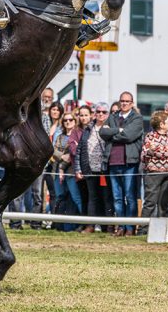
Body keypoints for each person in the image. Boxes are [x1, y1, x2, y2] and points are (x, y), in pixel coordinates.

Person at [100, 91, 144, 236]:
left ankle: (130, 228)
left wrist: (112, 134)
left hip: (129, 163)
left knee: (130, 197)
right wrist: (118, 130)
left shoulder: (137, 118)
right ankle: (120, 227)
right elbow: (102, 133)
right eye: (122, 101)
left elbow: (129, 136)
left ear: (132, 103)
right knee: (117, 198)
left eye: (127, 101)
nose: (124, 103)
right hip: (113, 162)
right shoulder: (112, 117)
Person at [75, 104, 109, 233]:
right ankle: (90, 226)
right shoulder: (88, 129)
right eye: (98, 111)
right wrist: (78, 169)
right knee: (92, 198)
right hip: (89, 169)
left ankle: (107, 226)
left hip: (105, 170)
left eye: (104, 112)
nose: (100, 114)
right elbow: (79, 150)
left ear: (108, 114)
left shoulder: (110, 127)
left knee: (106, 198)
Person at [140, 111, 168, 220]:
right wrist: (152, 151)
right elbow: (143, 156)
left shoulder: (167, 137)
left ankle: (162, 228)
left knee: (164, 204)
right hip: (154, 174)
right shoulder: (150, 136)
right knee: (150, 203)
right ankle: (143, 228)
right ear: (161, 124)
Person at [52, 112, 84, 230]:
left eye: (70, 120)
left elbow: (75, 152)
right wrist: (62, 156)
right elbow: (53, 151)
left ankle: (84, 223)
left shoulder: (78, 134)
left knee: (76, 198)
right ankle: (58, 224)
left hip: (71, 171)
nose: (68, 122)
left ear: (75, 121)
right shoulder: (60, 136)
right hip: (57, 171)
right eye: (65, 120)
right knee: (59, 197)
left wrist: (67, 157)